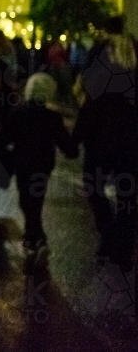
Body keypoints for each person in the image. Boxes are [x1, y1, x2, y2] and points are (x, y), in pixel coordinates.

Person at [75, 15, 138, 267]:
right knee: (127, 194)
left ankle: (108, 237)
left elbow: (86, 89)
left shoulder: (99, 51)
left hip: (99, 133)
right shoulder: (134, 50)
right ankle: (123, 249)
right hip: (130, 135)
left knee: (93, 186)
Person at [0, 73, 77, 269]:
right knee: (36, 199)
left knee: (27, 200)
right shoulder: (52, 116)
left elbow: (4, 139)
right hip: (43, 164)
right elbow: (66, 145)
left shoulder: (17, 112)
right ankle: (35, 238)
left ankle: (34, 239)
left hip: (23, 164)